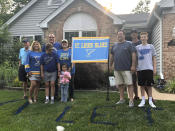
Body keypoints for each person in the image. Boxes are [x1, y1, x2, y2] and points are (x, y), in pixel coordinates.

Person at [110, 30, 136, 107]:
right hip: (117, 69)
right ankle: (122, 99)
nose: (119, 36)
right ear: (117, 36)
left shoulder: (129, 44)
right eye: (118, 35)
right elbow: (112, 56)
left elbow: (133, 55)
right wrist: (110, 65)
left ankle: (131, 100)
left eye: (121, 34)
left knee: (129, 84)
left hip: (127, 68)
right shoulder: (114, 45)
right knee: (120, 84)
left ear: (124, 35)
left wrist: (133, 65)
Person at [136, 32, 156, 108]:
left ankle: (150, 100)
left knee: (149, 86)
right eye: (142, 37)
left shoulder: (151, 46)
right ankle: (143, 100)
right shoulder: (137, 47)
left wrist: (154, 68)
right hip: (140, 69)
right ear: (140, 38)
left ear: (147, 38)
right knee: (142, 85)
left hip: (149, 68)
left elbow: (154, 58)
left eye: (144, 37)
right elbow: (136, 59)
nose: (143, 38)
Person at [42, 33, 62, 99]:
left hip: (56, 65)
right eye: (50, 37)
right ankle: (49, 96)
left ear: (54, 38)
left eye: (52, 37)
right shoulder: (45, 46)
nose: (51, 38)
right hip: (47, 66)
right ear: (48, 38)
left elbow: (63, 49)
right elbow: (42, 54)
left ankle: (55, 95)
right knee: (48, 83)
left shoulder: (58, 45)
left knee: (54, 82)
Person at [130, 29, 142, 100]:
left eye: (135, 33)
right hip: (133, 65)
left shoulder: (141, 42)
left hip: (141, 65)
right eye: (132, 33)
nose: (133, 35)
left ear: (137, 34)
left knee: (142, 82)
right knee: (134, 82)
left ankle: (150, 97)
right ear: (131, 35)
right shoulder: (130, 44)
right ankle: (136, 96)